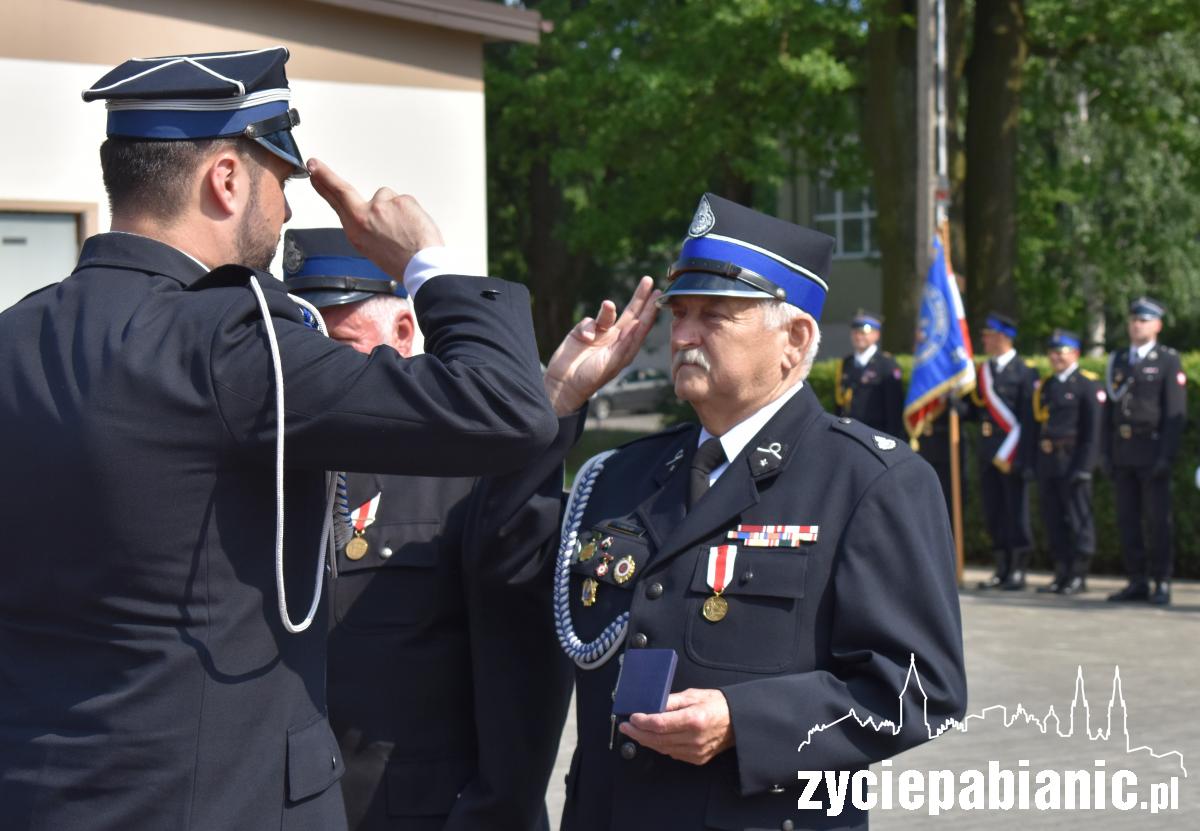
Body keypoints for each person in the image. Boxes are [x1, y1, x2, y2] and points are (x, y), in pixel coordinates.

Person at [0, 49, 565, 831]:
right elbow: (508, 407)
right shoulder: (232, 339)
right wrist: (423, 263)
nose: (289, 213)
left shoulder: (17, 335)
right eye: (280, 180)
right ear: (226, 179)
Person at [556, 194, 966, 831]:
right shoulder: (621, 474)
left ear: (795, 339)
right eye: (679, 313)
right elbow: (500, 574)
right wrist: (555, 406)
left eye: (713, 317)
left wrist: (743, 722)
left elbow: (920, 690)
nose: (683, 335)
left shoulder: (870, 480)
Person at [283, 228, 658, 831]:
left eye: (341, 346)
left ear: (404, 333)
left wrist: (494, 814)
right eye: (308, 351)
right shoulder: (276, 464)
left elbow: (521, 664)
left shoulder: (462, 460)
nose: (322, 372)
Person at [1103, 297, 1187, 605]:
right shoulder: (1119, 360)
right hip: (1123, 450)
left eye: (1144, 320)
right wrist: (1107, 453)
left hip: (1152, 451)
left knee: (1157, 520)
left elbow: (1174, 413)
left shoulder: (1167, 360)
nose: (1137, 324)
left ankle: (1161, 581)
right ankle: (1136, 580)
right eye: (1134, 319)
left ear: (1157, 325)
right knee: (1128, 520)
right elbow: (1108, 414)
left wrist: (1166, 456)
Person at [969, 312, 1038, 590]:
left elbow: (1028, 420)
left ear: (1003, 338)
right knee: (994, 512)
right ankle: (1001, 567)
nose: (984, 340)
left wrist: (1023, 458)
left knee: (1016, 512)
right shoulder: (984, 371)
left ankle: (1018, 568)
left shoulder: (1025, 371)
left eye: (988, 335)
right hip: (988, 453)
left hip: (1013, 454)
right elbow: (976, 411)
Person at [1032, 330, 1103, 595]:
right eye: (1052, 352)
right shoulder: (1047, 386)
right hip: (1049, 461)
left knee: (1077, 519)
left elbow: (1093, 431)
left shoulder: (1087, 384)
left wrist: (1086, 466)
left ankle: (1079, 574)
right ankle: (1061, 572)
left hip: (1073, 460)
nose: (1055, 357)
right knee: (1053, 519)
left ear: (1075, 354)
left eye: (1061, 352)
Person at [835, 309, 905, 438]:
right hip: (849, 434)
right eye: (855, 332)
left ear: (876, 335)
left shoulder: (887, 364)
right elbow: (840, 405)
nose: (859, 336)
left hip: (877, 436)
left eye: (864, 332)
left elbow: (894, 409)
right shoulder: (846, 363)